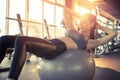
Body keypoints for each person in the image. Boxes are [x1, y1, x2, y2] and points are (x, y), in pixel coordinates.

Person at [0, 7, 117, 80]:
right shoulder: (72, 28)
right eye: (80, 23)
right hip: (48, 43)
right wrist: (81, 17)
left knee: (22, 40)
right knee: (4, 39)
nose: (80, 24)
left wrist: (98, 25)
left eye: (84, 23)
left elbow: (113, 34)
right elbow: (65, 10)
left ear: (91, 25)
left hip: (55, 49)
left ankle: (11, 78)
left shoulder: (89, 42)